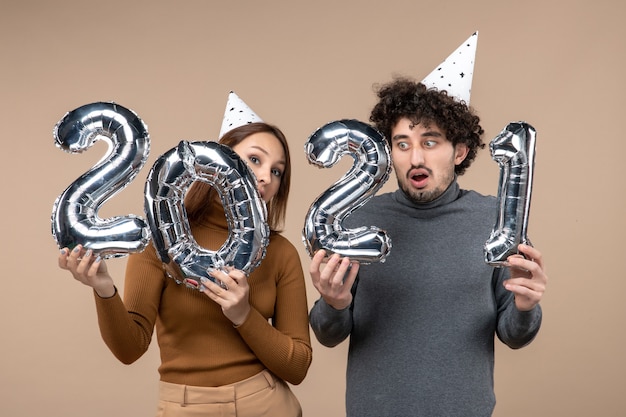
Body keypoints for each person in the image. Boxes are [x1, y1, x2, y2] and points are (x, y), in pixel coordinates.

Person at [308, 78, 547, 417]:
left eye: (430, 142)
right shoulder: (358, 219)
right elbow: (328, 334)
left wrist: (525, 307)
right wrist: (334, 304)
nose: (415, 157)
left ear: (459, 151)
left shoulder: (496, 221)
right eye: (402, 144)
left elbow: (514, 336)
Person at [58, 122, 312, 417]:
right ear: (213, 161)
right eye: (255, 160)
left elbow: (298, 367)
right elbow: (130, 349)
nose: (266, 177)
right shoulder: (161, 243)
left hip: (266, 404)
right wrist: (104, 289)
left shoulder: (281, 252)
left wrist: (244, 315)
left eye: (277, 171)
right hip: (185, 407)